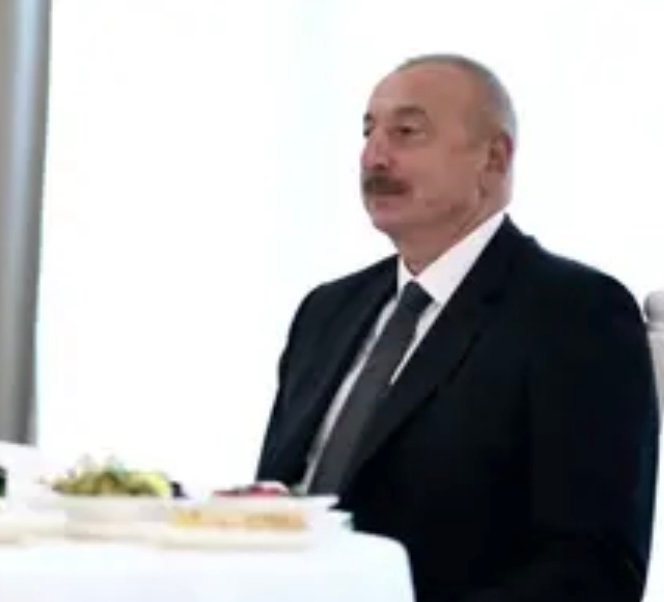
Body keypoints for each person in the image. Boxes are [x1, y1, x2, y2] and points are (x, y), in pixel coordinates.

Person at [257, 54, 658, 601]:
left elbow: (593, 571)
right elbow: (275, 504)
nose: (374, 156)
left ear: (494, 158)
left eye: (407, 132)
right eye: (368, 132)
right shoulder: (326, 311)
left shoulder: (576, 313)